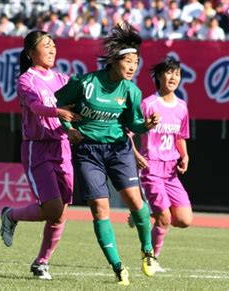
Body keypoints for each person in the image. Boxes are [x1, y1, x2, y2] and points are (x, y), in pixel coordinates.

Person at [54, 22, 160, 286]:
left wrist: (145, 125)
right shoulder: (85, 83)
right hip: (88, 151)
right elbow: (58, 106)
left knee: (136, 203)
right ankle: (118, 267)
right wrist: (69, 128)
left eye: (137, 61)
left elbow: (132, 124)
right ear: (114, 60)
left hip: (119, 150)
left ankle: (148, 251)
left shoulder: (132, 91)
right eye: (129, 60)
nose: (134, 66)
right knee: (100, 210)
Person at [0, 30, 80, 280]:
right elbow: (35, 107)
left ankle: (41, 263)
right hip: (38, 148)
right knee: (53, 207)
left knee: (61, 211)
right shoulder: (26, 80)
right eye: (46, 45)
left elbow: (80, 103)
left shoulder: (63, 80)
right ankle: (10, 215)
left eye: (54, 45)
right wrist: (59, 113)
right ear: (31, 52)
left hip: (62, 147)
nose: (52, 49)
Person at [129, 57, 192, 271]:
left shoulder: (182, 107)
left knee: (184, 220)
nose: (174, 77)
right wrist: (136, 154)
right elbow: (128, 132)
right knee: (165, 218)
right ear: (159, 76)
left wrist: (184, 155)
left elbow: (180, 137)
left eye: (177, 73)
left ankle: (145, 213)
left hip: (172, 171)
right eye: (169, 72)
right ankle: (151, 259)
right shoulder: (148, 104)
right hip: (151, 168)